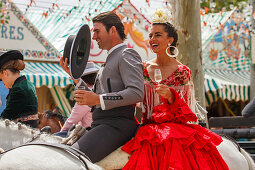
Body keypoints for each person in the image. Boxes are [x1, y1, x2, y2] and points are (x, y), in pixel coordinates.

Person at [121, 10, 229, 170]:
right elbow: (134, 98)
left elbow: (187, 110)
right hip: (148, 126)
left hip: (175, 127)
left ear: (170, 40)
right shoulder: (142, 68)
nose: (152, 39)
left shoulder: (182, 71)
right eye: (150, 35)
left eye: (157, 35)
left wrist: (171, 97)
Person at [60, 11, 144, 163]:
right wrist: (75, 78)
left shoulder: (126, 54)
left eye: (97, 31)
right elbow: (93, 99)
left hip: (116, 125)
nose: (93, 37)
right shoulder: (112, 57)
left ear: (112, 30)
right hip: (102, 125)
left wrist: (98, 98)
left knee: (70, 160)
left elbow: (137, 92)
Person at [54, 62, 98, 138]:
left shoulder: (84, 95)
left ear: (81, 79)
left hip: (87, 132)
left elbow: (72, 120)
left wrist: (60, 134)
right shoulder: (99, 90)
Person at [0, 50, 38, 128]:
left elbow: (4, 119)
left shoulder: (18, 89)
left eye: (1, 78)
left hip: (23, 137)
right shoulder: (28, 84)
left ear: (5, 73)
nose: (3, 83)